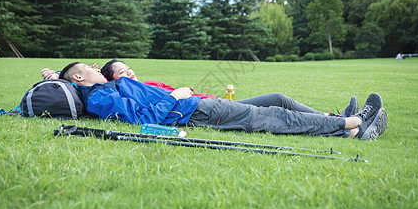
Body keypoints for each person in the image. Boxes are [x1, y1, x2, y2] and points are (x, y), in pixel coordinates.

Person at [58, 62, 388, 140]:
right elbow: (138, 120)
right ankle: (355, 123)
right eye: (86, 67)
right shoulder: (102, 96)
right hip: (193, 110)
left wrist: (53, 77)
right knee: (271, 114)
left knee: (272, 109)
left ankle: (353, 129)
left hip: (195, 106)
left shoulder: (106, 91)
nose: (91, 65)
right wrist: (175, 95)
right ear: (77, 78)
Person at [42, 59, 358, 117]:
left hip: (210, 100)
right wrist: (54, 74)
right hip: (203, 107)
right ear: (114, 79)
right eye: (123, 72)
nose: (130, 73)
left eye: (129, 68)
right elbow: (78, 78)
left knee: (278, 101)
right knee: (276, 102)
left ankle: (332, 116)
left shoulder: (149, 84)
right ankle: (337, 121)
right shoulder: (125, 90)